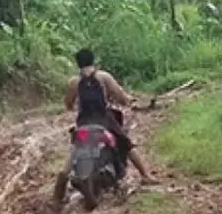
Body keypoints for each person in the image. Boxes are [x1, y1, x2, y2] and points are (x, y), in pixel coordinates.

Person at [62, 48, 154, 183]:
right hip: (104, 121)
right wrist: (128, 100)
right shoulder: (103, 77)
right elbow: (120, 97)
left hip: (83, 122)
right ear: (93, 60)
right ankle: (145, 175)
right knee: (125, 144)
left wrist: (72, 107)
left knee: (76, 150)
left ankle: (58, 193)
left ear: (78, 63)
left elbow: (68, 104)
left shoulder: (73, 82)